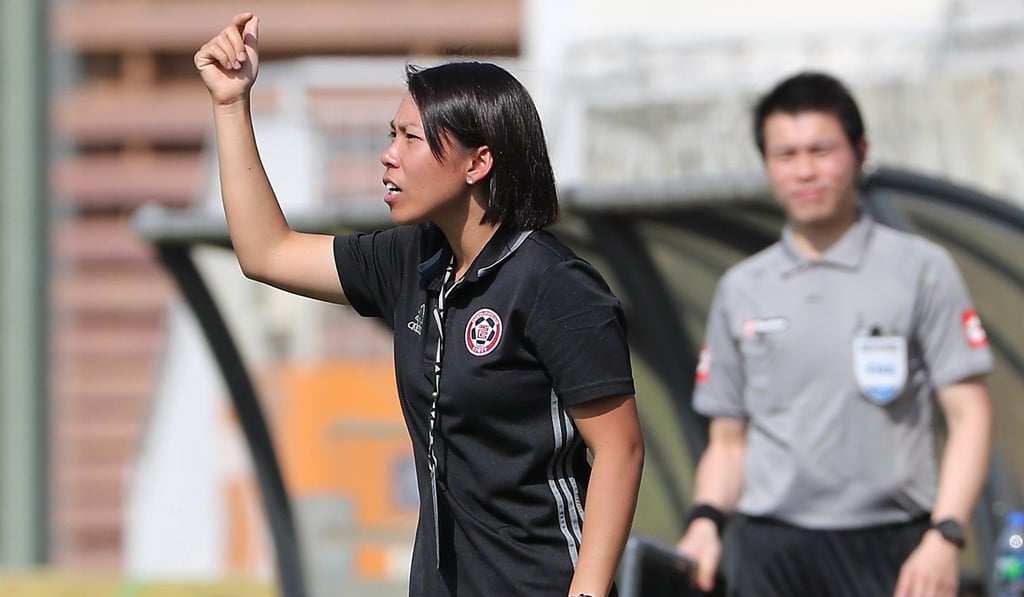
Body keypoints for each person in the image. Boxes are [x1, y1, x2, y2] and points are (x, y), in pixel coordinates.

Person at [194, 12, 645, 597]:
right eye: (392, 134)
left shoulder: (554, 283)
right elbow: (267, 252)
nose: (389, 155)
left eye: (410, 138)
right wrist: (231, 105)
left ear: (477, 162)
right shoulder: (411, 261)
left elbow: (621, 449)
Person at [675, 71, 994, 597]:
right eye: (785, 154)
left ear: (860, 151)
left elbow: (971, 415)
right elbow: (729, 443)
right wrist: (706, 522)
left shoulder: (920, 268)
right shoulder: (742, 288)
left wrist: (947, 535)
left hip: (896, 550)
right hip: (770, 556)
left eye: (821, 150)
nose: (805, 170)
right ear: (766, 165)